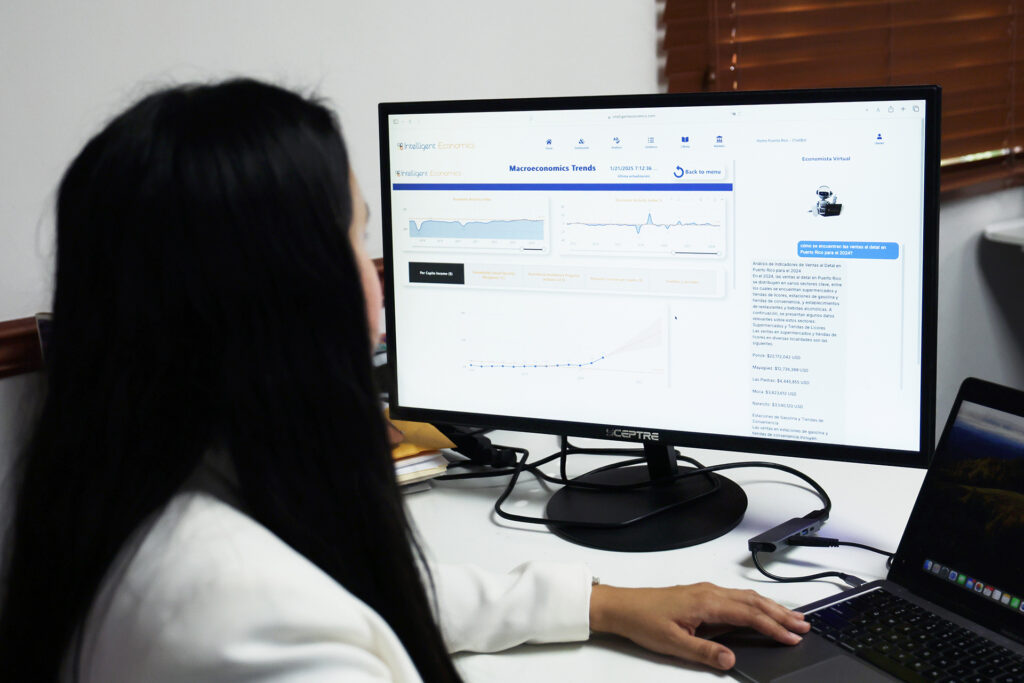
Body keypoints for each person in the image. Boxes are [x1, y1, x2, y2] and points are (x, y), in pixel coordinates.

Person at [0, 79, 809, 682]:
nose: (380, 278)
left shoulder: (135, 489)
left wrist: (601, 603)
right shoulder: (255, 633)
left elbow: (352, 585)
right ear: (283, 294)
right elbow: (307, 606)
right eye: (359, 238)